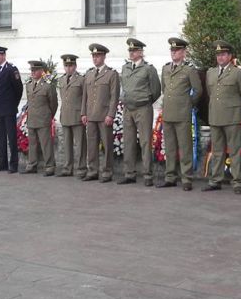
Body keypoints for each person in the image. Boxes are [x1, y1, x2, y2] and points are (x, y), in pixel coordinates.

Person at [203, 40, 241, 194]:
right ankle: (215, 180)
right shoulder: (211, 72)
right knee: (217, 150)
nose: (220, 57)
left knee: (235, 151)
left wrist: (234, 107)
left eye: (223, 54)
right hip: (216, 116)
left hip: (232, 117)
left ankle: (237, 181)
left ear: (230, 56)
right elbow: (211, 94)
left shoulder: (238, 73)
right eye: (218, 55)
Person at [158, 37, 203, 191]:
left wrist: (188, 103)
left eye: (177, 50)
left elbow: (198, 90)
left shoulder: (189, 70)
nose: (174, 53)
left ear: (184, 52)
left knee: (185, 147)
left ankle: (186, 178)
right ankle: (170, 176)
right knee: (169, 147)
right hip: (169, 113)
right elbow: (164, 89)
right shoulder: (165, 69)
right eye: (172, 50)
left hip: (182, 113)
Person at [119, 38, 161, 186]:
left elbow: (156, 90)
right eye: (130, 50)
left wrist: (145, 100)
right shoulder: (125, 68)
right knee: (129, 142)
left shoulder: (148, 69)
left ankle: (148, 175)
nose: (131, 53)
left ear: (141, 52)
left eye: (134, 50)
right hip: (128, 109)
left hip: (143, 108)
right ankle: (129, 173)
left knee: (145, 141)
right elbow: (124, 87)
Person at [80, 43, 119, 183]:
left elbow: (114, 96)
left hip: (104, 116)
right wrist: (83, 113)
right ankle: (92, 170)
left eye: (98, 56)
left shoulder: (111, 74)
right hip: (90, 115)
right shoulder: (89, 74)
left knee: (107, 145)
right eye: (93, 56)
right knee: (91, 144)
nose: (95, 58)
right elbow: (85, 96)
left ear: (103, 56)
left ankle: (107, 172)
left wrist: (111, 114)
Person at [0, 45, 23, 173]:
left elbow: (19, 89)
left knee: (11, 137)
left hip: (9, 108)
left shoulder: (11, 69)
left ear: (3, 55)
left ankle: (13, 164)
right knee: (0, 136)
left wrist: (14, 104)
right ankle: (2, 162)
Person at [23, 60, 59, 175]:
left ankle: (50, 166)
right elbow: (29, 102)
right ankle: (32, 164)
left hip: (43, 118)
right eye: (32, 70)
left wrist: (49, 115)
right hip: (32, 118)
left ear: (41, 71)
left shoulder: (48, 85)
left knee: (46, 144)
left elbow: (54, 103)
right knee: (32, 144)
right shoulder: (29, 84)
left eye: (35, 70)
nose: (33, 72)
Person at [57, 54, 86, 178]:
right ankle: (67, 167)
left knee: (80, 145)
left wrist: (84, 113)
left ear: (75, 66)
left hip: (77, 115)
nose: (68, 68)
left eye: (71, 65)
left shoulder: (81, 80)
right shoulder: (61, 80)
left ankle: (81, 168)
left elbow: (85, 98)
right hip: (65, 115)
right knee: (67, 144)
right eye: (66, 66)